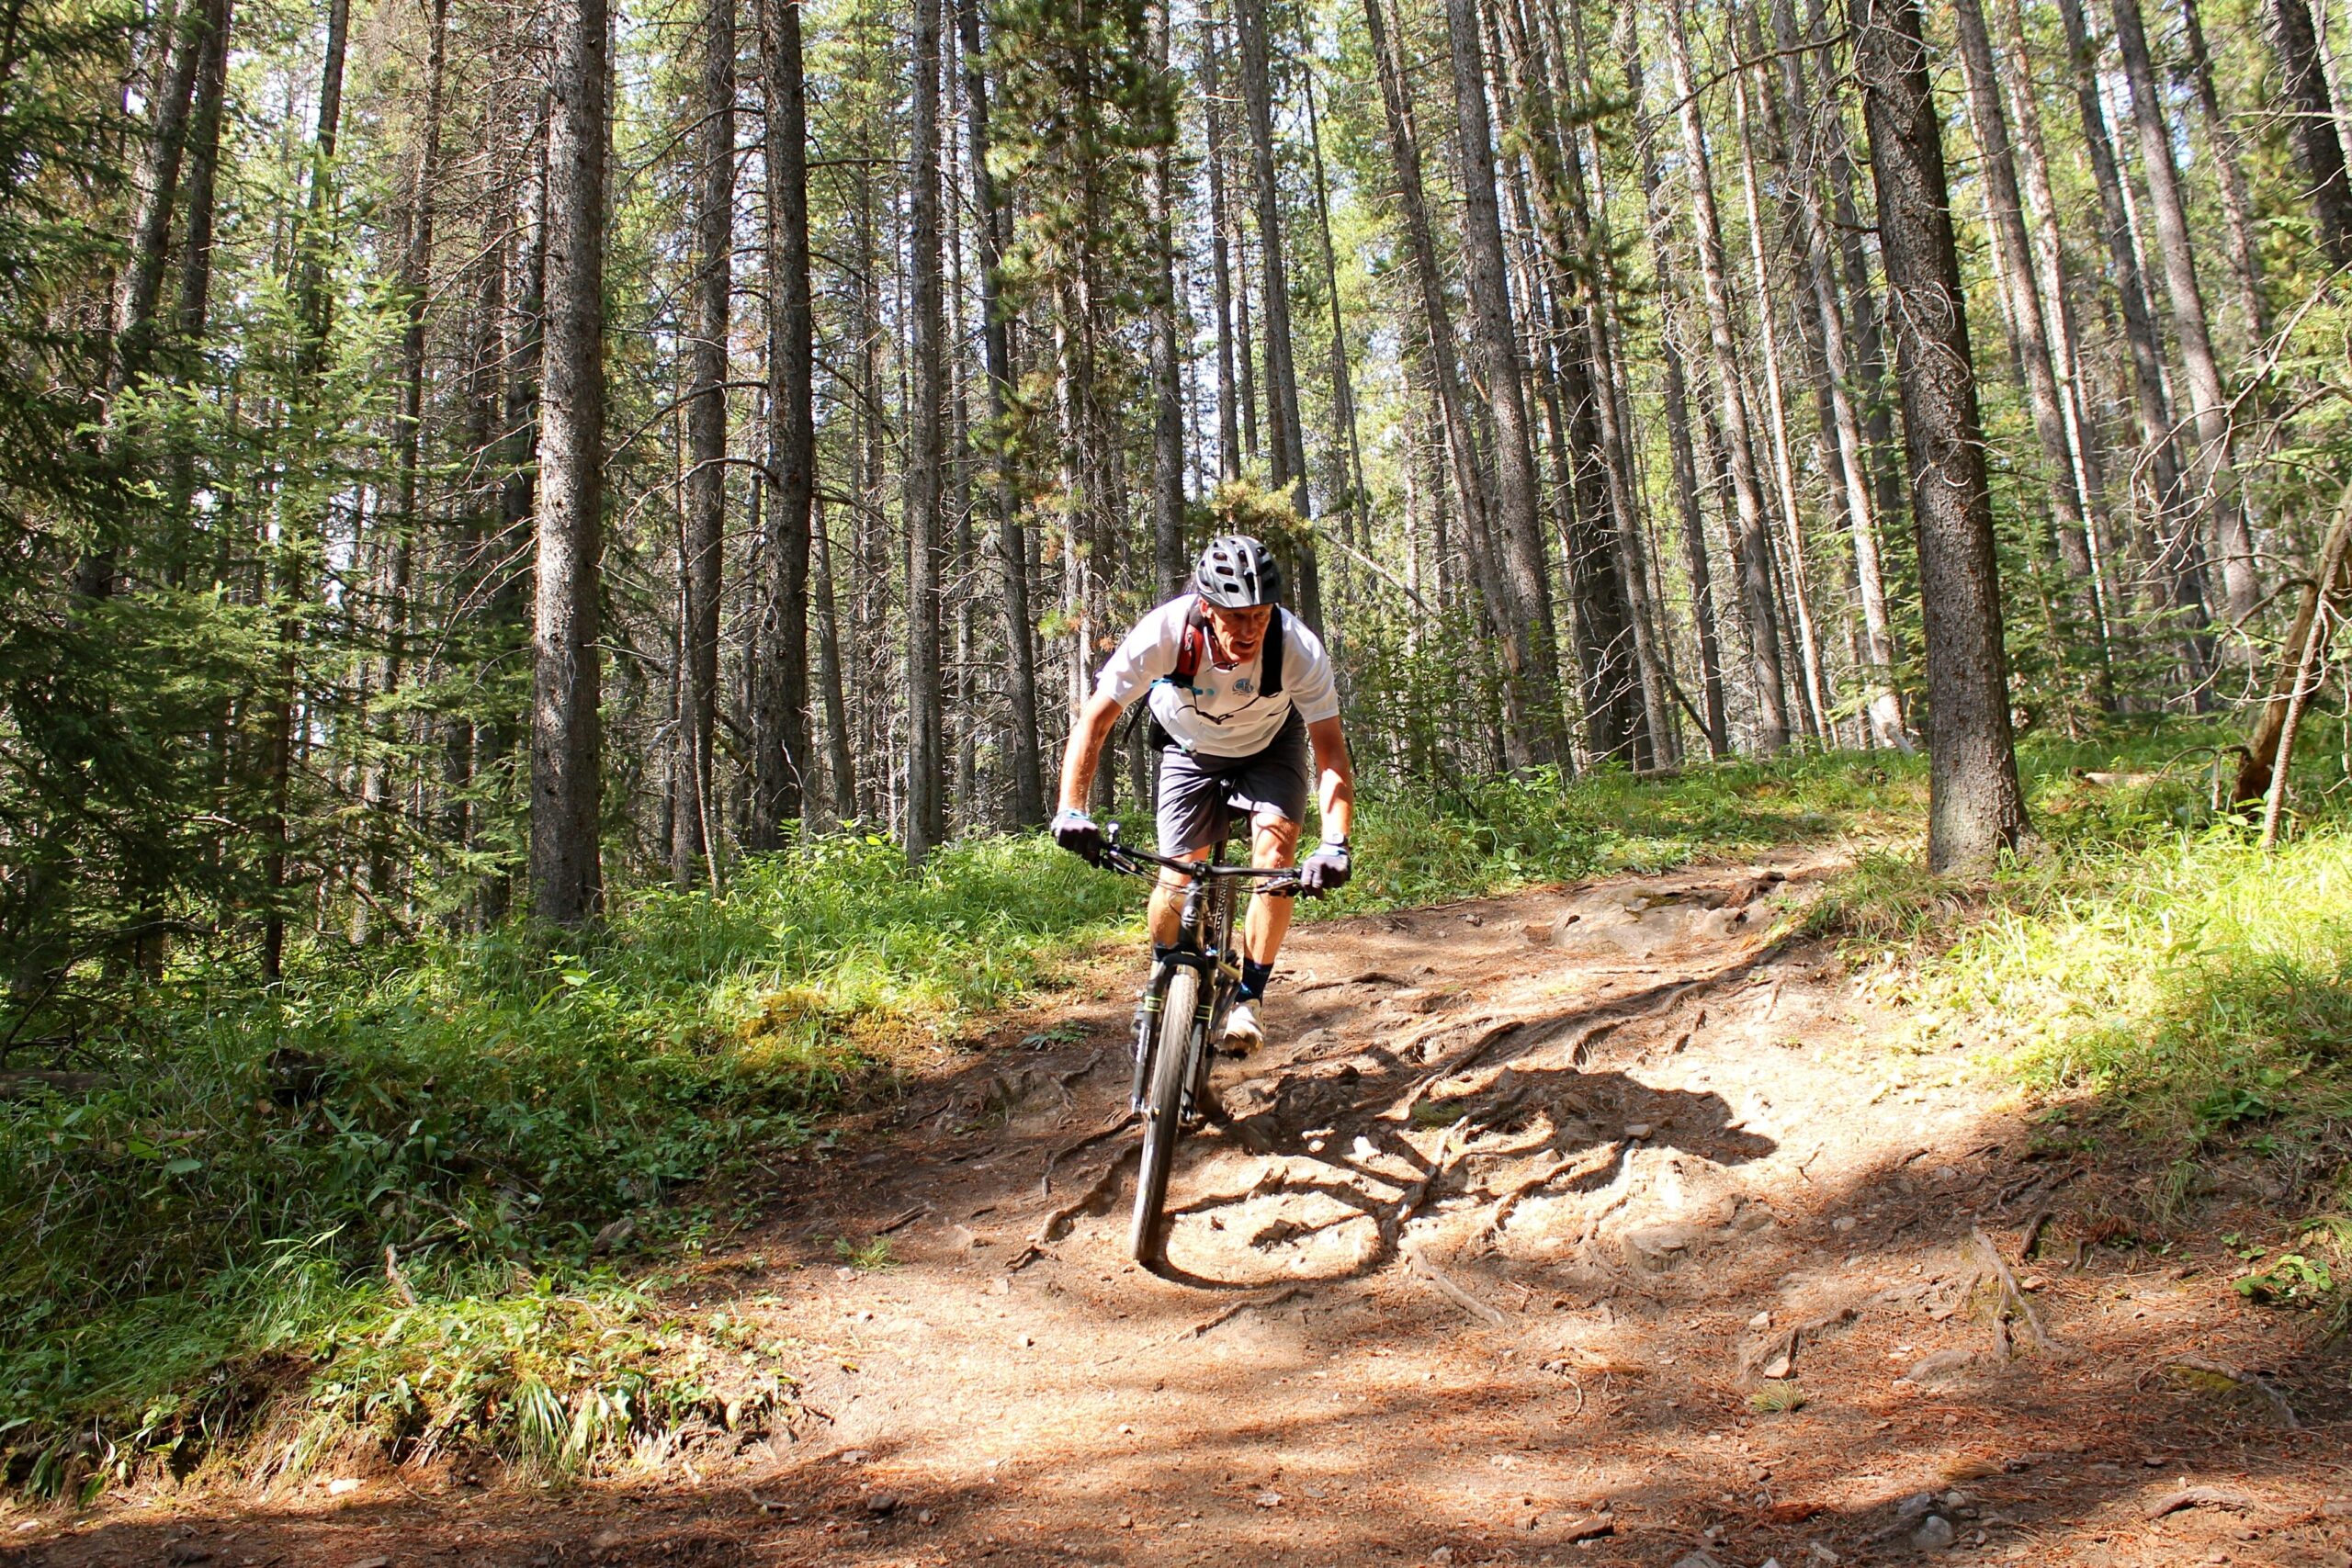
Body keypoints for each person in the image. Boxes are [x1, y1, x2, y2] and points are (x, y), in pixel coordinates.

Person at [1050, 535, 1355, 1048]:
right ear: (1205, 606)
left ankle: (1250, 999)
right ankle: (1163, 975)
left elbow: (1329, 749)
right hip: (1187, 747)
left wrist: (1334, 842)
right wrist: (1071, 810)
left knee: (1276, 858)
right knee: (1177, 871)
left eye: (1259, 615)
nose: (1249, 629)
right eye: (1234, 616)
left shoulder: (1296, 647)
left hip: (1268, 747)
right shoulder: (1165, 633)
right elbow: (1094, 722)